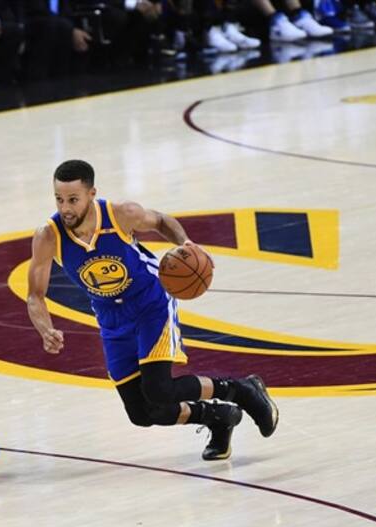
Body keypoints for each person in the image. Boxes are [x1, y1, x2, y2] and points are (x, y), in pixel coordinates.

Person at [26, 160, 279, 459]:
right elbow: (35, 295)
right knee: (143, 413)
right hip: (111, 318)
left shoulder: (121, 214)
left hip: (150, 303)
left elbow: (161, 221)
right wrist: (45, 329)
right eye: (59, 199)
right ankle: (218, 418)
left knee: (158, 390)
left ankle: (241, 390)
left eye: (72, 199)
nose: (65, 207)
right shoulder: (49, 236)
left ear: (91, 194)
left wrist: (186, 243)